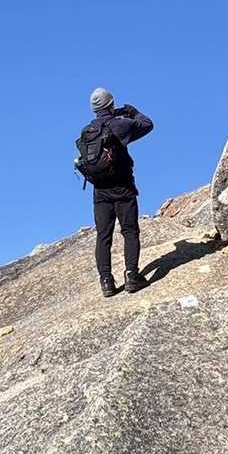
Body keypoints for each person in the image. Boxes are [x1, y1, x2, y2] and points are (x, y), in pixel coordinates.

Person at [84, 87, 154, 297]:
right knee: (130, 231)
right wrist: (132, 111)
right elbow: (147, 124)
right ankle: (132, 276)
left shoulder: (87, 131)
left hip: (100, 190)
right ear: (111, 104)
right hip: (123, 187)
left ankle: (106, 281)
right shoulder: (121, 124)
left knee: (103, 236)